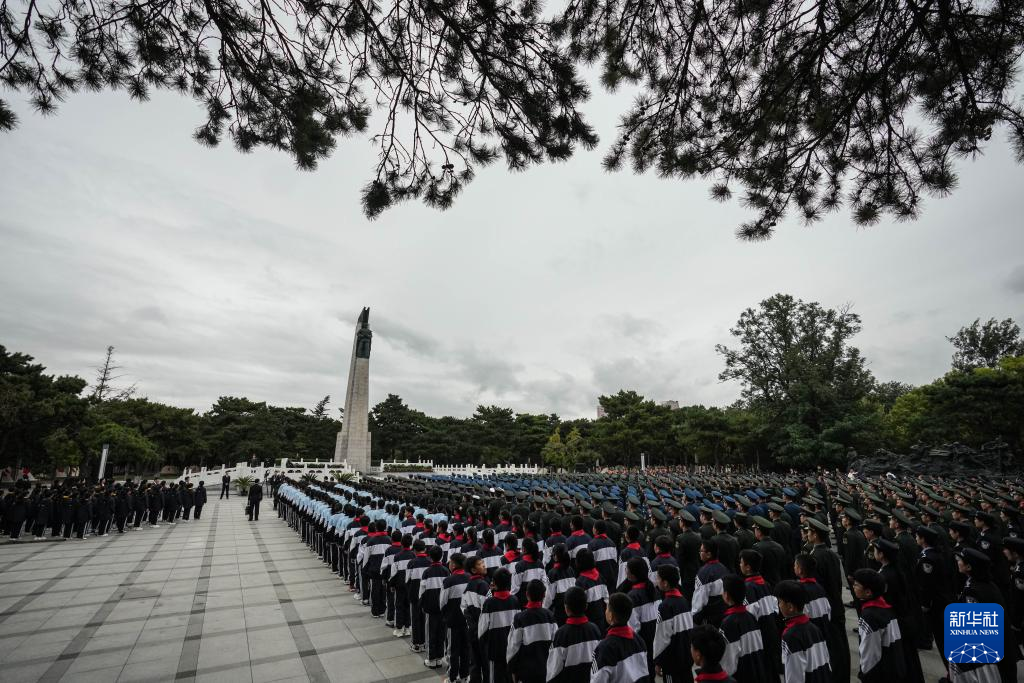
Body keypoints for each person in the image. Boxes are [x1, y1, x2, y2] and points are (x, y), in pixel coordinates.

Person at [851, 568, 906, 683]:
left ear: (868, 592)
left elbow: (870, 652)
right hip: (893, 667)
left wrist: (865, 674)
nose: (853, 587)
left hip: (879, 673)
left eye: (856, 585)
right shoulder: (886, 608)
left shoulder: (869, 616)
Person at [720, 574, 774, 683]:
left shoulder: (728, 623)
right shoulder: (751, 616)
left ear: (726, 595)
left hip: (741, 676)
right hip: (757, 672)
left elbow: (728, 663)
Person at [775, 580, 832, 683]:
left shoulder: (790, 637)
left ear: (790, 607)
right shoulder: (814, 629)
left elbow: (794, 677)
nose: (779, 605)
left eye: (780, 602)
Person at [591, 592, 651, 682]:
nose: (605, 611)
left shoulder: (604, 648)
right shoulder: (639, 640)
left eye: (607, 608)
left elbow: (598, 679)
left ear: (611, 616)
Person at [547, 586, 602, 683]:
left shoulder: (561, 635)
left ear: (566, 608)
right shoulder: (595, 630)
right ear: (586, 606)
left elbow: (553, 671)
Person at [507, 579, 556, 683]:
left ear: (526, 594)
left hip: (526, 672)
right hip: (546, 670)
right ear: (544, 595)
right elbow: (555, 644)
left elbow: (513, 647)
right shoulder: (550, 616)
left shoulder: (519, 618)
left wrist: (512, 669)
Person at [652, 564, 694, 683]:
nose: (657, 581)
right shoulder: (683, 600)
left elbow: (662, 637)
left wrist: (658, 661)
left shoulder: (665, 606)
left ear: (665, 583)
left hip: (672, 661)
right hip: (686, 655)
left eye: (658, 578)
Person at [478, 568, 519, 683]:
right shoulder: (515, 600)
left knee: (495, 678)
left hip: (494, 648)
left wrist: (482, 645)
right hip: (511, 647)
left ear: (494, 583)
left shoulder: (489, 603)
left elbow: (482, 629)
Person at [441, 552, 471, 683]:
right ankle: (465, 675)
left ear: (453, 565)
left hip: (453, 620)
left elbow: (442, 602)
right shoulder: (470, 577)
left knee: (452, 649)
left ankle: (452, 677)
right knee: (466, 648)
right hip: (467, 620)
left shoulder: (448, 581)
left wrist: (446, 615)